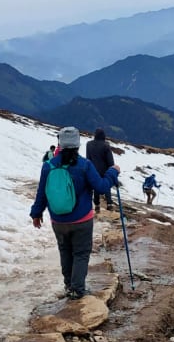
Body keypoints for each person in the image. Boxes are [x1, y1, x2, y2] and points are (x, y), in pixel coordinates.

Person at [30, 126, 120, 300]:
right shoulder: (84, 165)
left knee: (65, 252)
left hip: (58, 220)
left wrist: (36, 213)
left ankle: (68, 285)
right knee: (80, 253)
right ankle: (77, 290)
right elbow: (101, 187)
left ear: (60, 144)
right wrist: (112, 172)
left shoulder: (48, 166)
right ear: (77, 145)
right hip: (82, 220)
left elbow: (41, 193)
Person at [86, 128, 115, 212]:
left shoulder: (89, 144)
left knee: (96, 186)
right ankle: (109, 204)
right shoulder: (106, 145)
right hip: (104, 170)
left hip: (93, 169)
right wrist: (112, 170)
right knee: (107, 185)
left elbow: (88, 158)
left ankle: (97, 204)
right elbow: (110, 161)